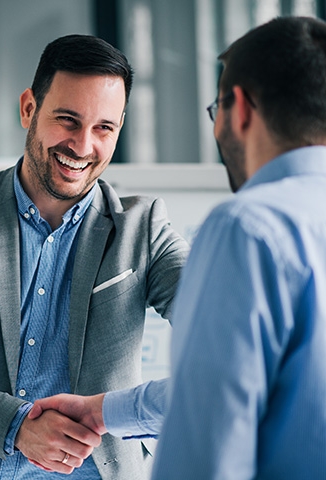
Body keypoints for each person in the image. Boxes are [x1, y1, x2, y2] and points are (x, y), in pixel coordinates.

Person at [29, 16, 326, 479]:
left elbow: (207, 420)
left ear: (240, 109)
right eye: (68, 119)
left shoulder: (248, 228)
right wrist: (103, 411)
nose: (85, 143)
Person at [0, 34, 189, 480]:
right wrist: (16, 427)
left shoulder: (143, 230)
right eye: (68, 120)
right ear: (29, 108)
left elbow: (225, 336)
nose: (83, 146)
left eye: (104, 128)